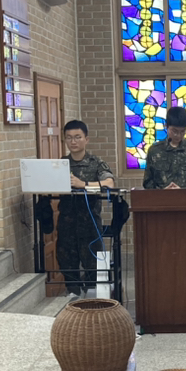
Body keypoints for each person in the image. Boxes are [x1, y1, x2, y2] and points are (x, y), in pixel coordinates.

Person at [57, 120, 115, 300]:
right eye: (69, 138)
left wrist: (83, 184)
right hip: (67, 223)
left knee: (93, 266)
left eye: (77, 137)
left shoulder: (95, 162)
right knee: (67, 263)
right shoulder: (60, 164)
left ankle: (92, 301)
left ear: (86, 139)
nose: (73, 142)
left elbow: (109, 183)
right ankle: (73, 296)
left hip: (89, 224)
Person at [142, 106, 186, 189]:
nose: (178, 135)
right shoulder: (155, 151)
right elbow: (147, 182)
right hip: (161, 196)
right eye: (174, 131)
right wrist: (163, 191)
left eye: (182, 131)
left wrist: (183, 191)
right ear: (166, 126)